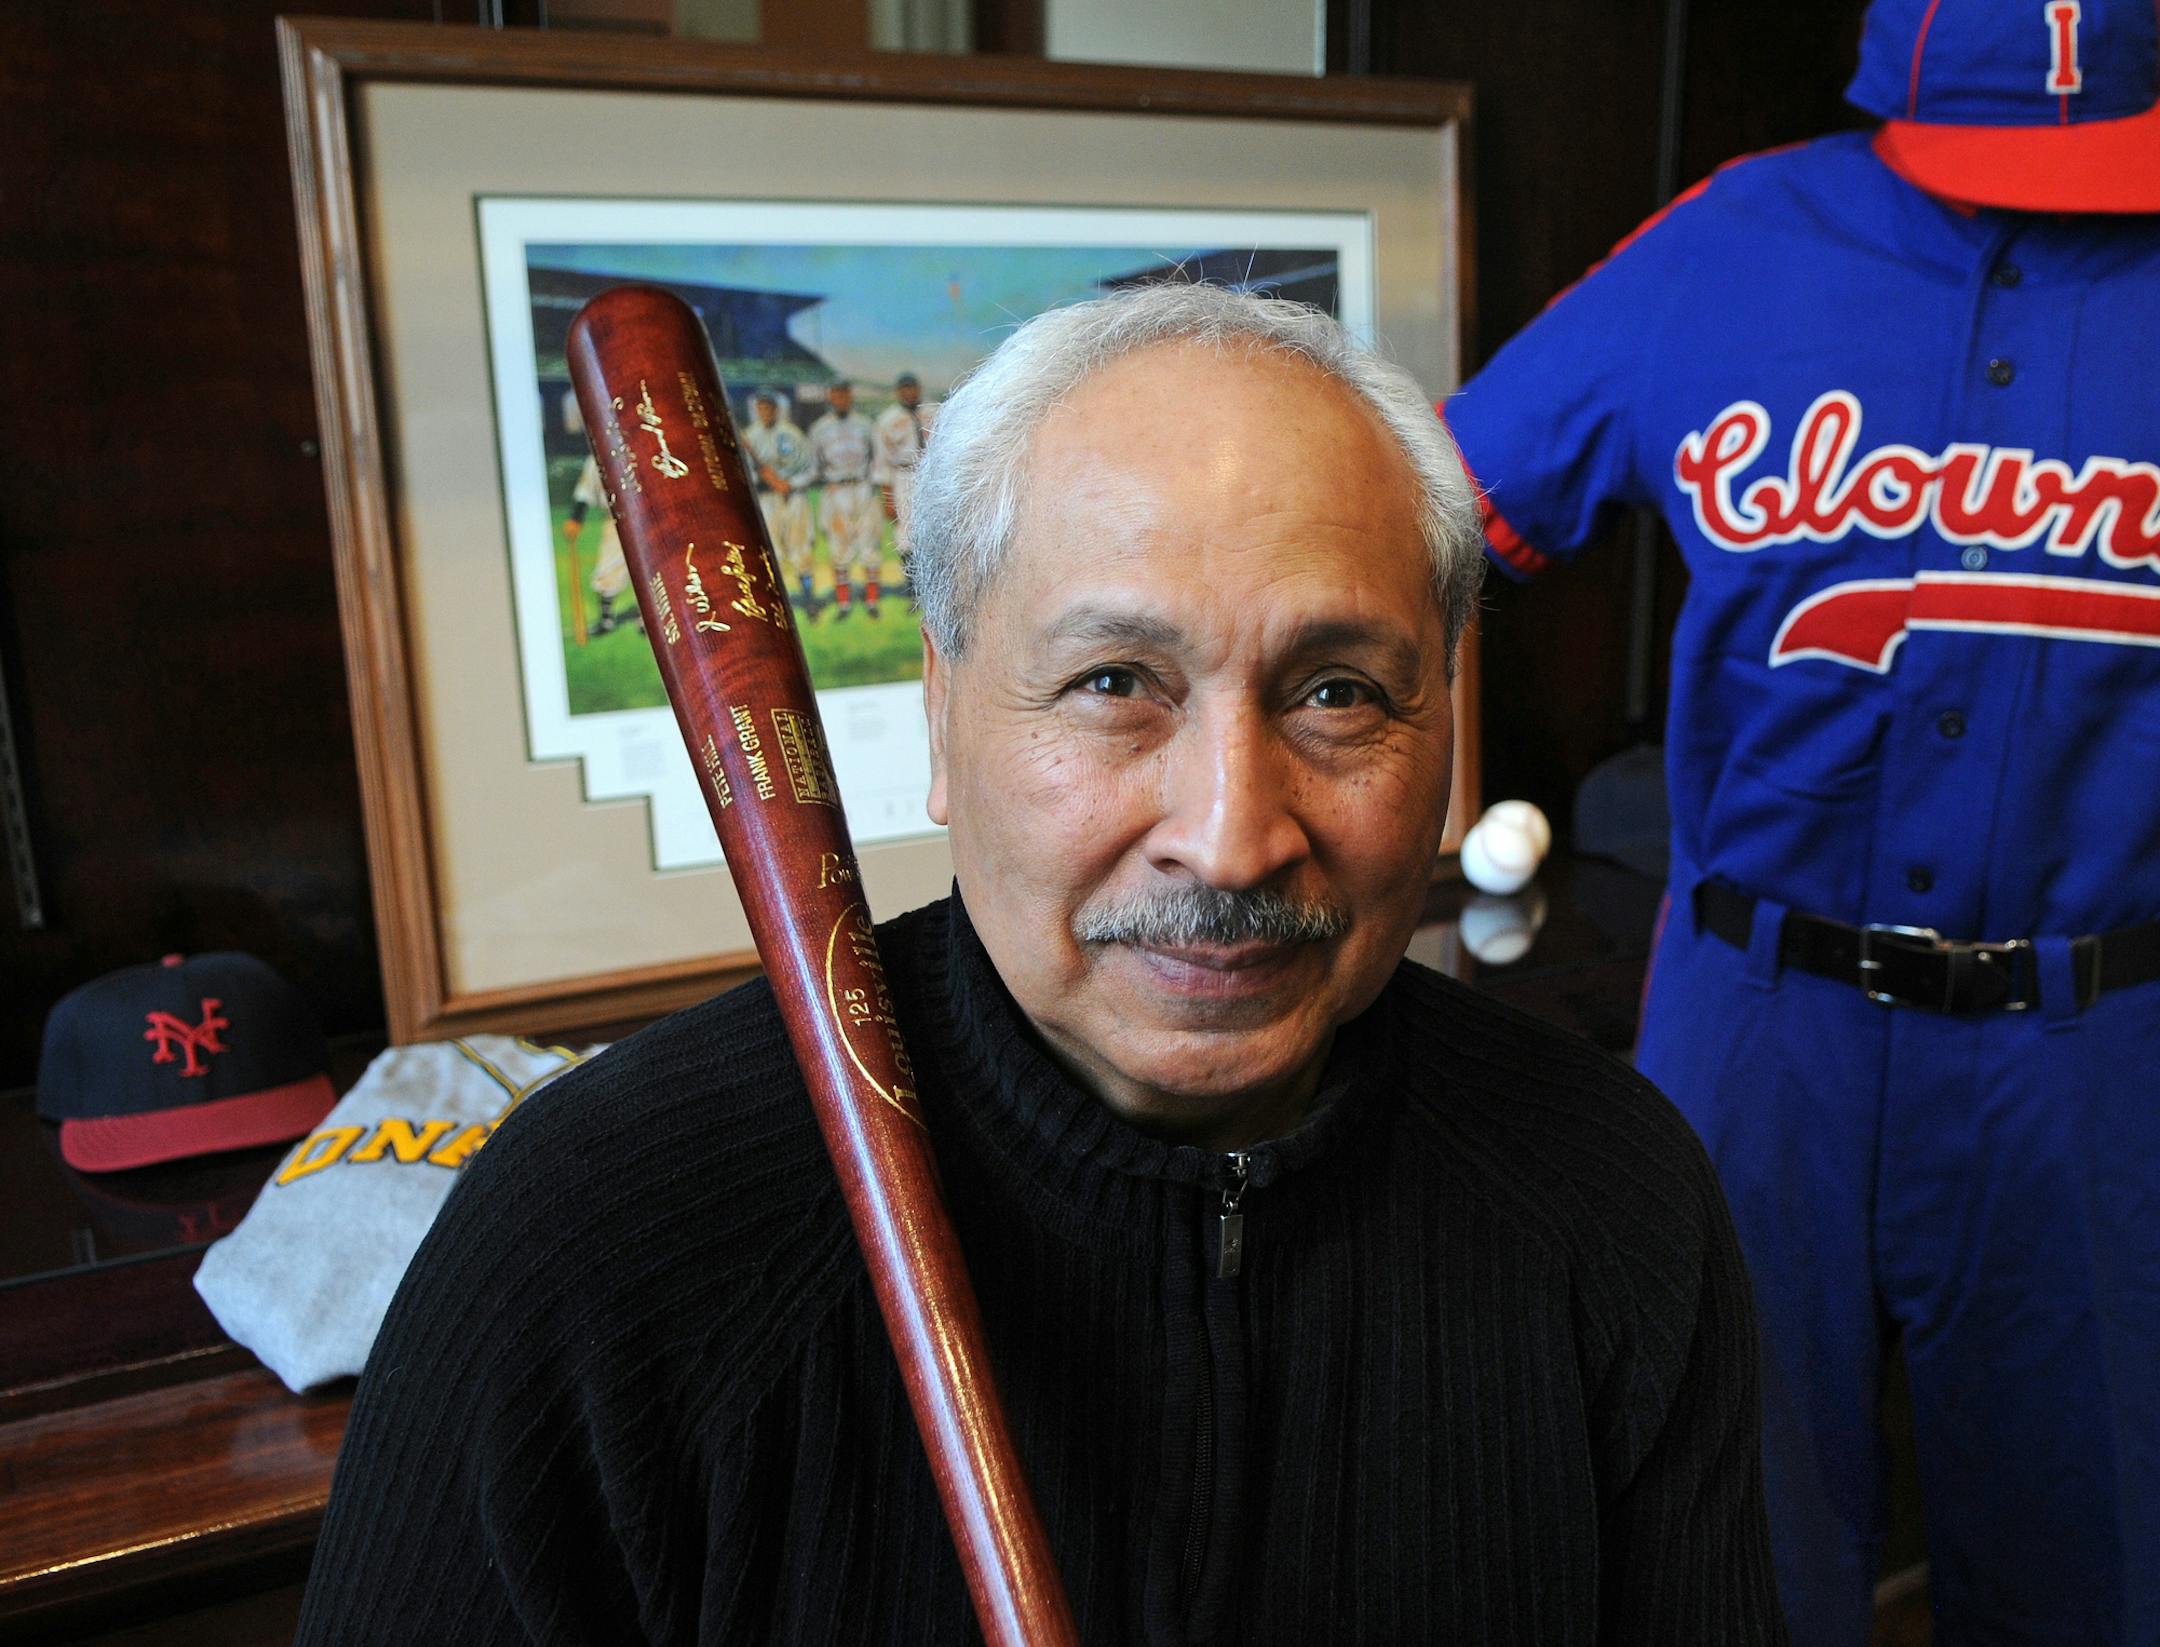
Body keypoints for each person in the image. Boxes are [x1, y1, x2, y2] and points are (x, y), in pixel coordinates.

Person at [294, 284, 1784, 1645]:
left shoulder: (1610, 1197)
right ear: (943, 719)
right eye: (1114, 683)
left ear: (1444, 721)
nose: (1231, 834)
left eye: (1337, 690)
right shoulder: (593, 1251)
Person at [1442, 2, 2160, 1641]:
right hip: (1757, 1024)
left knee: (2102, 1573)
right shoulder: (1742, 239)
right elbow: (1436, 514)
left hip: (2107, 1039)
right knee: (1718, 1560)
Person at [808, 378, 884, 620]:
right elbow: (814, 464)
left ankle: (872, 601)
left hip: (862, 487)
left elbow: (876, 457)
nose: (840, 398)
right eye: (836, 394)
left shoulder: (864, 424)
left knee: (869, 544)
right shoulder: (819, 428)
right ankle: (844, 604)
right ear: (830, 396)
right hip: (836, 490)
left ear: (850, 396)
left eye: (844, 393)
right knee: (839, 548)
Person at [741, 387, 819, 617]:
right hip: (766, 499)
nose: (765, 411)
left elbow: (812, 468)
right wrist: (762, 478)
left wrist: (791, 483)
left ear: (776, 409)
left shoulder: (792, 433)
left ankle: (809, 600)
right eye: (761, 407)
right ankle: (776, 603)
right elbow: (743, 472)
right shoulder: (749, 436)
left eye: (768, 406)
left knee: (801, 547)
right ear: (756, 409)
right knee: (772, 550)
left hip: (794, 497)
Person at [875, 369, 937, 596]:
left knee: (936, 526)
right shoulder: (888, 420)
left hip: (931, 473)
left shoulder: (933, 411)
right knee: (906, 531)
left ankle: (937, 585)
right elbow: (882, 460)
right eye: (904, 389)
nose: (909, 392)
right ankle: (914, 588)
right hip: (904, 475)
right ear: (898, 392)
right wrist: (886, 496)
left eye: (912, 387)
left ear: (919, 389)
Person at [564, 451, 634, 637]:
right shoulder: (597, 456)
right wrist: (576, 518)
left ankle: (649, 620)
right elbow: (585, 491)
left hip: (647, 516)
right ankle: (606, 620)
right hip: (616, 518)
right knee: (608, 568)